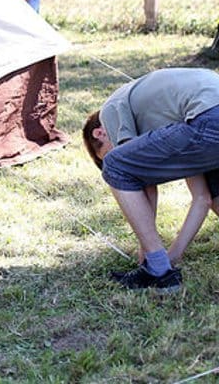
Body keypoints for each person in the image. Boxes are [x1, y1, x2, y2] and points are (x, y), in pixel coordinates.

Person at [82, 67, 219, 291]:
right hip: (207, 116)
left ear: (99, 133)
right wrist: (172, 256)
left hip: (207, 117)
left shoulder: (110, 109)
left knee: (116, 165)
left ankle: (158, 271)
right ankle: (162, 266)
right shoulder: (168, 119)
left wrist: (147, 251)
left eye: (106, 151)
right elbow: (202, 198)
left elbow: (140, 178)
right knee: (215, 195)